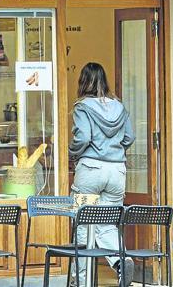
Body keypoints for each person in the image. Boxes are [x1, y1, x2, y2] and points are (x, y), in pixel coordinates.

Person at [68, 62, 135, 287]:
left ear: (83, 81)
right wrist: (114, 149)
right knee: (107, 223)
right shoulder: (120, 106)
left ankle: (82, 281)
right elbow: (129, 138)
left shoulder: (82, 107)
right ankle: (120, 260)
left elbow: (83, 137)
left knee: (83, 223)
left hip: (90, 171)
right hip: (116, 171)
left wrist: (72, 152)